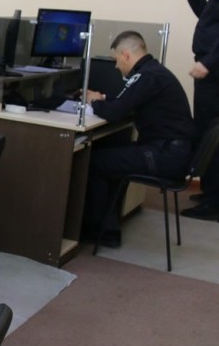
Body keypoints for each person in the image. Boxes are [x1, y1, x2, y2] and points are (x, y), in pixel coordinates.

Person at [82, 31, 196, 247]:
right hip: (173, 152)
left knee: (97, 161)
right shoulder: (153, 72)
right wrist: (103, 98)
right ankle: (109, 226)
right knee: (113, 148)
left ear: (125, 54)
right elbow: (127, 100)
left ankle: (98, 230)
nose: (116, 67)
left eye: (116, 60)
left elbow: (116, 112)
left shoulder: (147, 76)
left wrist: (93, 104)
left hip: (166, 156)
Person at [180, 0, 219, 220]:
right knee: (207, 133)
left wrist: (208, 63)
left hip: (214, 73)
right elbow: (208, 19)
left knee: (213, 136)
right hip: (210, 71)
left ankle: (213, 202)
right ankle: (210, 193)